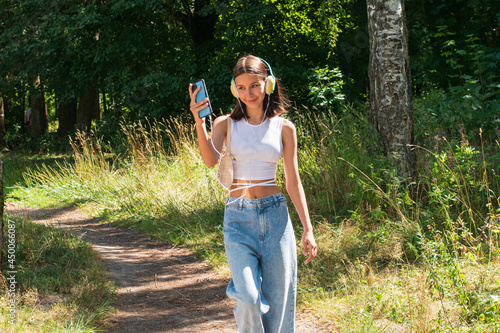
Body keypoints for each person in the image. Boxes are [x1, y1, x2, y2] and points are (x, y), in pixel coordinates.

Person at [188, 55, 317, 332]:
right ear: (235, 89)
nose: (249, 93)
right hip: (238, 218)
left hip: (276, 218)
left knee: (280, 301)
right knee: (247, 297)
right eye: (242, 87)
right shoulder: (224, 123)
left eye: (255, 86)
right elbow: (211, 160)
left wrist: (307, 228)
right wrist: (199, 122)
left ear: (268, 85)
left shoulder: (285, 128)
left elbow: (294, 182)